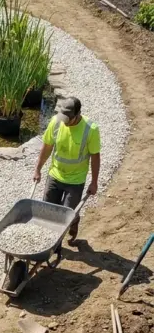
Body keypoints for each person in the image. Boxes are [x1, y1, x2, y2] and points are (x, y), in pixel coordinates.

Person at [33, 96, 101, 241]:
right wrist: (37, 169)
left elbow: (95, 157)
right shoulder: (56, 122)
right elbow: (47, 147)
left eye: (68, 119)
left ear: (77, 114)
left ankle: (73, 222)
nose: (64, 122)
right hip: (55, 175)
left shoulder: (90, 130)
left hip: (75, 180)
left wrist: (94, 182)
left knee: (67, 216)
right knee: (49, 213)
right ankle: (52, 244)